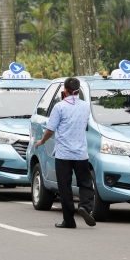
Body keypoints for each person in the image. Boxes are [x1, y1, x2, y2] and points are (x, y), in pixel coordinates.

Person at [35, 77, 96, 228]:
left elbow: (50, 129)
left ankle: (69, 221)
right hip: (81, 153)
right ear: (79, 91)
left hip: (63, 154)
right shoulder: (86, 106)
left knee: (65, 187)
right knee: (86, 184)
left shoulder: (59, 107)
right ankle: (85, 206)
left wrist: (41, 141)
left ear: (64, 91)